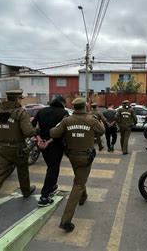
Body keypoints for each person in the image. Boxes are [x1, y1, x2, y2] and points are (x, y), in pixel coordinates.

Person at [0, 90, 37, 215]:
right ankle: (26, 191)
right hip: (18, 148)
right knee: (22, 170)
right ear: (17, 99)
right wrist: (36, 130)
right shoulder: (20, 113)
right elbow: (28, 132)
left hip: (2, 148)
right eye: (20, 98)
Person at [50, 97, 105, 232]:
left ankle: (83, 197)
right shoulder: (91, 120)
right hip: (85, 157)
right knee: (79, 183)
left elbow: (54, 133)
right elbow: (102, 131)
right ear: (85, 106)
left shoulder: (67, 120)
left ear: (74, 107)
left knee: (79, 177)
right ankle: (66, 220)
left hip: (72, 156)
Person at [31, 96, 69, 207]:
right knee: (53, 168)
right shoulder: (63, 112)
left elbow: (32, 126)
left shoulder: (41, 111)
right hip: (56, 144)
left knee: (51, 167)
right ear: (62, 103)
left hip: (42, 144)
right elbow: (63, 131)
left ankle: (52, 186)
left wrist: (39, 140)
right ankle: (44, 196)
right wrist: (49, 141)